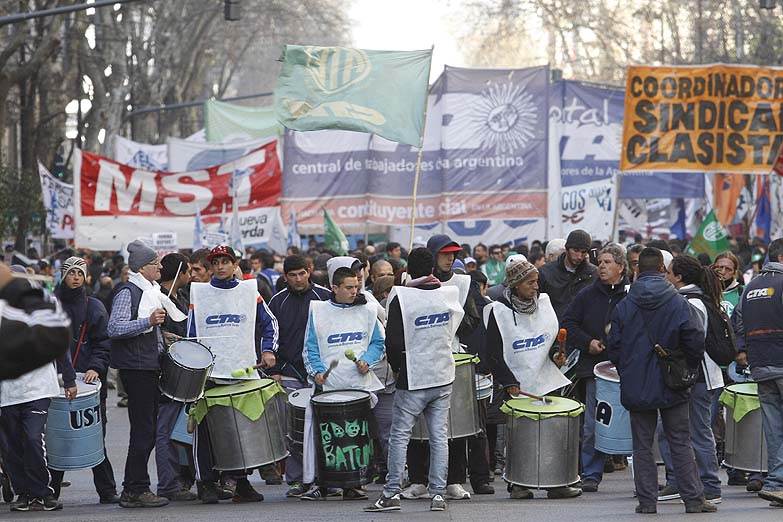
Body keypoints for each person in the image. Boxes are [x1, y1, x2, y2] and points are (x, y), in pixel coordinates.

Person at [607, 247, 715, 514]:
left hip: (636, 383)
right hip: (672, 381)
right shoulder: (678, 302)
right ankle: (693, 499)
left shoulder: (624, 304)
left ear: (638, 270)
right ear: (662, 271)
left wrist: (628, 371)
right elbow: (694, 340)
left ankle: (647, 502)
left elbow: (615, 347)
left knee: (642, 445)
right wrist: (686, 367)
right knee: (680, 440)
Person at [365, 247, 464, 513]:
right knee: (439, 436)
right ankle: (439, 494)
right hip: (443, 373)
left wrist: (398, 369)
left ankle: (391, 493)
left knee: (400, 436)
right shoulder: (449, 293)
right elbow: (456, 326)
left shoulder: (401, 296)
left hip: (412, 375)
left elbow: (393, 342)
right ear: (433, 268)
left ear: (409, 268)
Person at [188, 245, 278, 504]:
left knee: (240, 429)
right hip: (210, 374)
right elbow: (192, 331)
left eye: (225, 261)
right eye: (215, 262)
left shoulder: (250, 290)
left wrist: (268, 350)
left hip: (244, 370)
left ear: (234, 263)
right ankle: (205, 482)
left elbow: (269, 323)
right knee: (205, 431)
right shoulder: (200, 292)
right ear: (210, 266)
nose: (220, 266)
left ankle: (241, 483)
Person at [484, 259, 577, 499]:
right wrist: (508, 381)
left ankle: (556, 483)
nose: (536, 287)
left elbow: (553, 339)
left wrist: (558, 353)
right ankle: (518, 484)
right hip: (517, 385)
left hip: (546, 379)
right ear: (515, 284)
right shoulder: (498, 311)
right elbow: (492, 353)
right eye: (530, 282)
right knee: (520, 438)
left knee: (552, 435)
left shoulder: (545, 304)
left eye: (537, 282)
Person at [400, 234, 480, 501]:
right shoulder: (408, 285)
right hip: (417, 360)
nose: (450, 258)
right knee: (415, 426)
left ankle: (454, 480)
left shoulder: (462, 283)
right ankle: (418, 480)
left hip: (451, 357)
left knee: (452, 424)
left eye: (453, 254)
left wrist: (447, 322)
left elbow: (472, 320)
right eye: (445, 254)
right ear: (432, 256)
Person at [301, 266, 385, 500]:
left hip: (359, 386)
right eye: (348, 287)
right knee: (327, 437)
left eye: (356, 286)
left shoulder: (368, 310)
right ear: (334, 288)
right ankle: (323, 483)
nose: (354, 291)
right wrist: (317, 371)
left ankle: (353, 482)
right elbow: (310, 348)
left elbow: (378, 343)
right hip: (329, 387)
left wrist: (367, 361)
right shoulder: (318, 311)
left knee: (356, 437)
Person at [108, 240, 176, 508]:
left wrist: (162, 336)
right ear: (141, 268)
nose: (159, 267)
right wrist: (148, 322)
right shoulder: (129, 291)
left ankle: (134, 488)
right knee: (143, 432)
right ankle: (135, 489)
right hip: (136, 369)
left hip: (147, 366)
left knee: (146, 431)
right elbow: (115, 328)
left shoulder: (149, 290)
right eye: (154, 264)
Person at [0, 269, 74, 512]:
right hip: (7, 392)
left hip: (38, 388)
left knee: (33, 439)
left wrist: (70, 377)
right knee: (12, 446)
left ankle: (43, 491)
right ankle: (23, 492)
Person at [50, 257, 119, 504]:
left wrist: (95, 367)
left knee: (94, 436)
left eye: (80, 273)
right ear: (63, 276)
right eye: (71, 273)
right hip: (55, 383)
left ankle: (107, 489)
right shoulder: (52, 305)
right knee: (57, 438)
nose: (76, 277)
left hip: (89, 385)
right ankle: (51, 491)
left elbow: (104, 342)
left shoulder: (94, 306)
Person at [561, 244, 629, 493]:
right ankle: (591, 473)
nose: (601, 266)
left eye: (608, 262)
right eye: (600, 261)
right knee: (592, 424)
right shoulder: (587, 295)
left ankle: (641, 475)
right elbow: (568, 323)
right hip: (595, 370)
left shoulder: (632, 295)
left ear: (621, 267)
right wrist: (586, 342)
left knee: (635, 424)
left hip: (628, 370)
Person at [657, 255, 724, 505]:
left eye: (669, 272)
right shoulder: (689, 300)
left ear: (679, 277)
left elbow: (693, 340)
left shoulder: (691, 303)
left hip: (698, 376)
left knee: (698, 430)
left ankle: (710, 484)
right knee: (669, 429)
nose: (666, 276)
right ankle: (677, 480)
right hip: (693, 375)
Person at [267, 255, 331, 497]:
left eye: (302, 273)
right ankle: (296, 480)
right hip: (288, 374)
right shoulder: (276, 302)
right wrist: (274, 371)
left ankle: (325, 478)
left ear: (310, 271)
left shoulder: (324, 297)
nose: (298, 279)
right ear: (285, 277)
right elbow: (267, 337)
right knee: (293, 431)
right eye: (292, 275)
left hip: (320, 374)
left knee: (323, 429)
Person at [735, 238, 783, 506]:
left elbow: (738, 323)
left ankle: (776, 482)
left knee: (774, 428)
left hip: (760, 366)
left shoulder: (751, 287)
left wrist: (744, 351)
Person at [154, 253, 198, 502]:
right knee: (166, 430)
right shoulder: (159, 298)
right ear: (180, 272)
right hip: (169, 373)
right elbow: (158, 332)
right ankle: (168, 484)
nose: (191, 276)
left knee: (179, 431)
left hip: (185, 371)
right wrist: (167, 336)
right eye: (188, 270)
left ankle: (181, 479)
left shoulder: (180, 296)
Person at [0, 261, 70, 381]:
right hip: (25, 393)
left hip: (37, 390)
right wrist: (12, 285)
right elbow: (57, 329)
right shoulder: (9, 310)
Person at [537, 230, 598, 319]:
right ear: (566, 249)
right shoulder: (545, 272)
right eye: (576, 251)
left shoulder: (594, 274)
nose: (579, 256)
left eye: (583, 252)